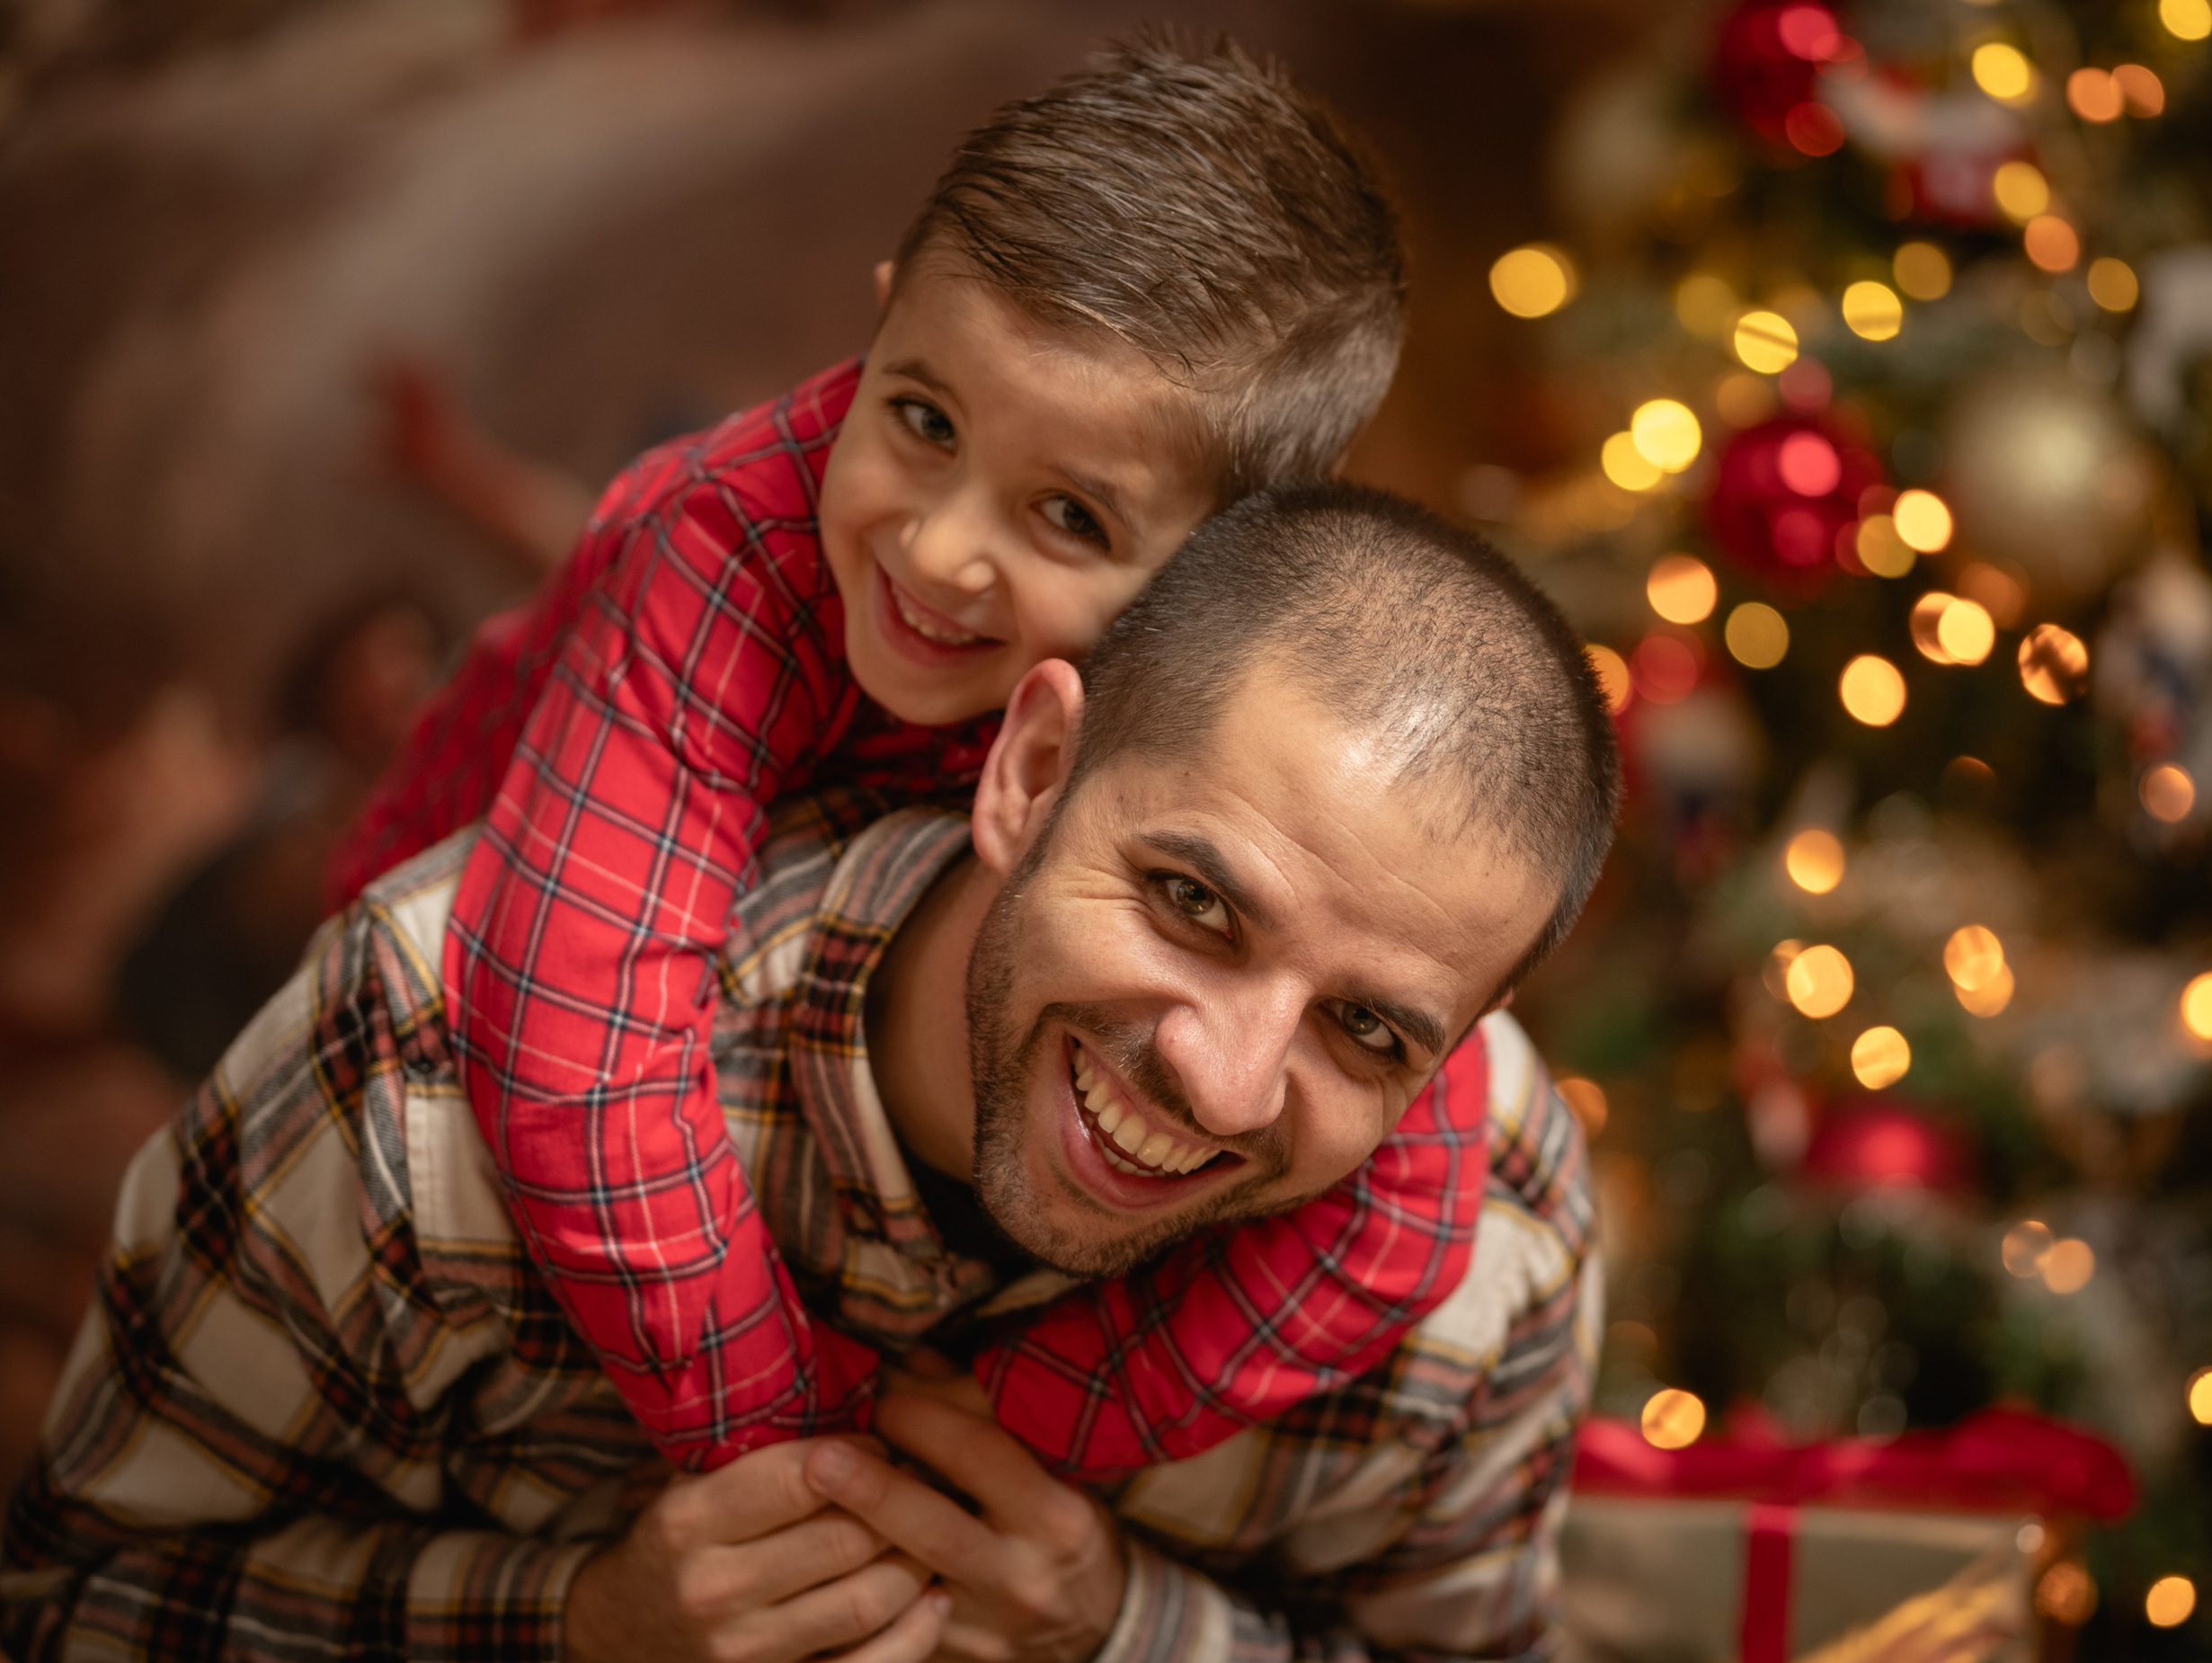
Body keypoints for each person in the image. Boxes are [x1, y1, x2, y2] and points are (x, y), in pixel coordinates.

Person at [3, 485, 1631, 1663]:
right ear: (1034, 773)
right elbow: (85, 1586)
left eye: (1367, 1032)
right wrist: (582, 1639)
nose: (1221, 1078)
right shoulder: (432, 1035)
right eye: (1195, 904)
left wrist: (1109, 1641)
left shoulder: (1498, 1227)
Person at [322, 32, 1497, 1486]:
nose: (939, 549)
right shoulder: (726, 538)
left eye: (1068, 518)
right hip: (441, 1041)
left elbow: (1410, 1205)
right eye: (923, 419)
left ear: (1226, 564)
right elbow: (571, 1040)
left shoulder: (1225, 688)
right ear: (879, 333)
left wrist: (1028, 1431)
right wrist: (789, 1444)